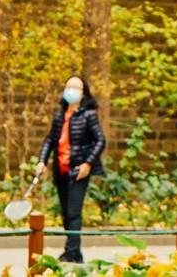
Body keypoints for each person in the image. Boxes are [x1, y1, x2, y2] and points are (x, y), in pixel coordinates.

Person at [38, 75, 105, 264]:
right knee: (66, 212)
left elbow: (100, 140)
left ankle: (70, 252)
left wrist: (88, 164)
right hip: (61, 169)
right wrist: (42, 161)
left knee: (74, 211)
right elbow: (50, 140)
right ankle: (76, 253)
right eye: (68, 86)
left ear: (84, 93)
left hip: (79, 170)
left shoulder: (88, 115)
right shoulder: (60, 115)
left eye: (76, 87)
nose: (71, 90)